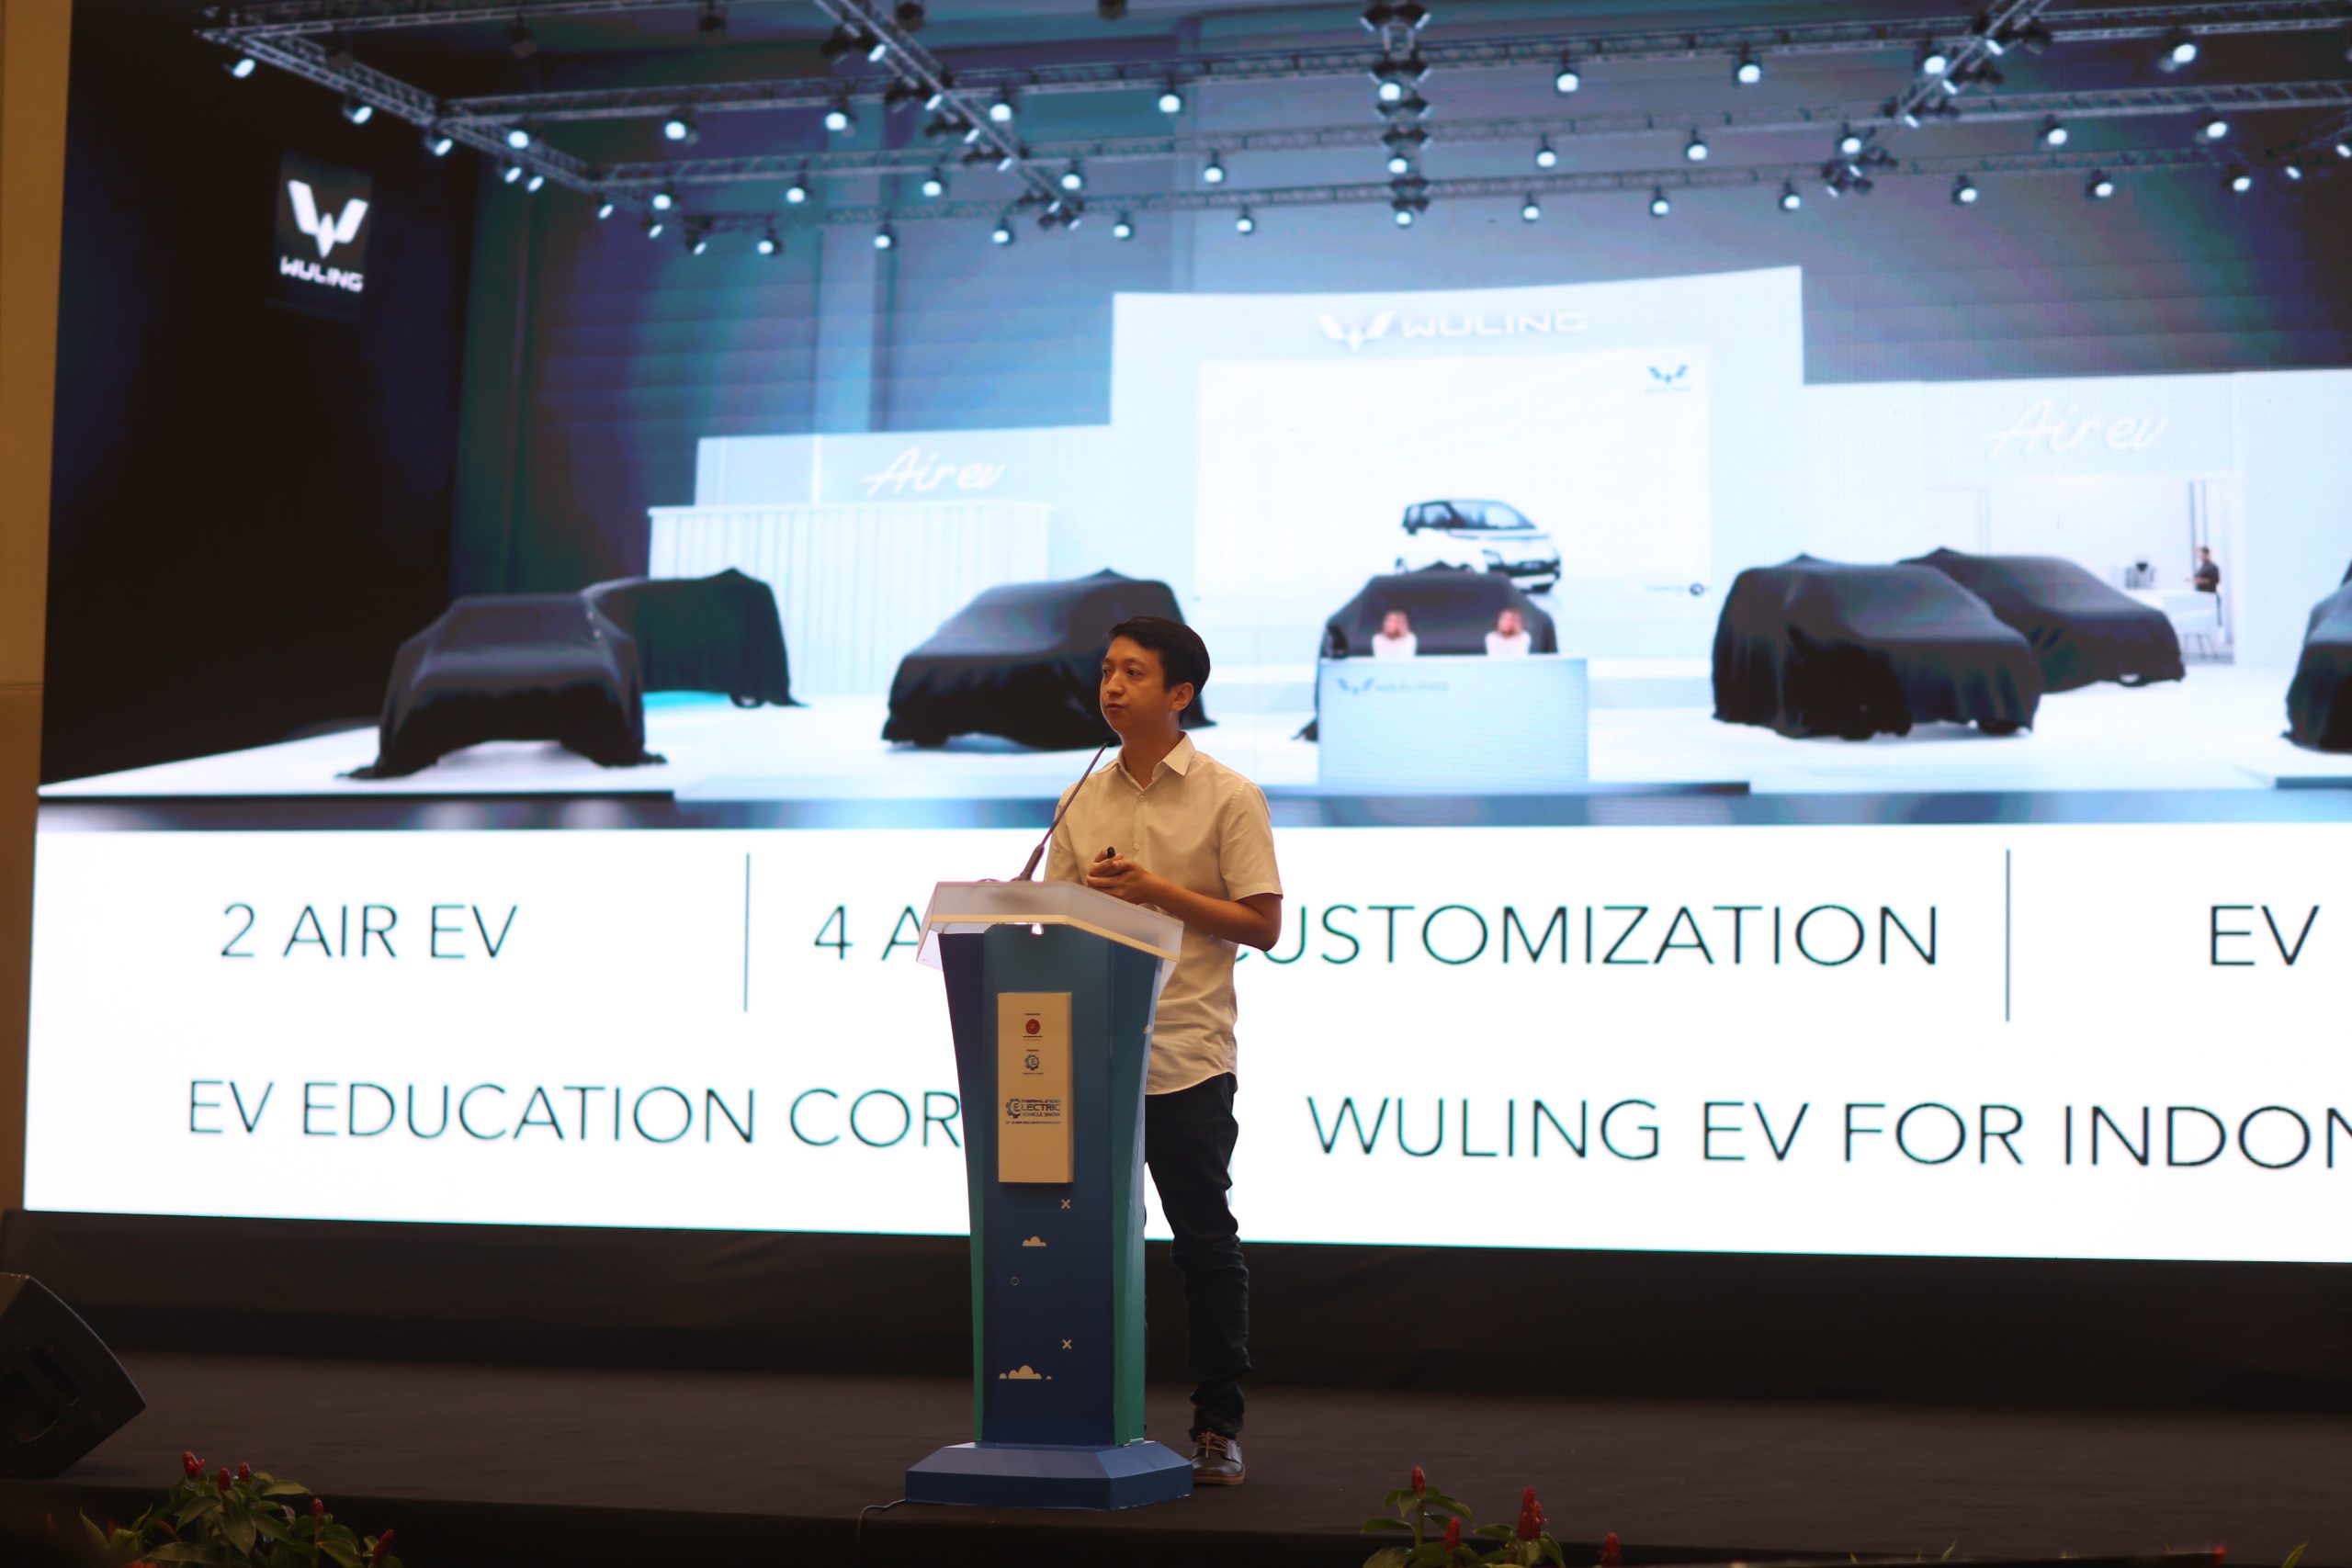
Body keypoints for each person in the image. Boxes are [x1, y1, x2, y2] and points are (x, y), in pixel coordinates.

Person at [1045, 615, 1283, 1487]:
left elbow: (1263, 924)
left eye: (1133, 672)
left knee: (1202, 1244)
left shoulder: (1229, 794)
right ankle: (1084, 1413)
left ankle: (1218, 1426)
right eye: (1107, 670)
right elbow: (1052, 920)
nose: (1111, 686)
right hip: (1087, 1056)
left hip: (1185, 1051)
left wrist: (1155, 891)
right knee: (1077, 1244)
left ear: (1180, 693)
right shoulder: (1080, 796)